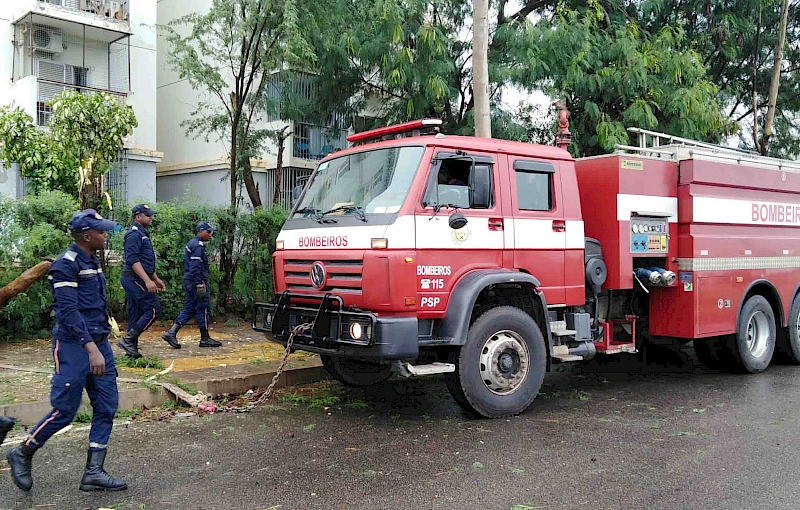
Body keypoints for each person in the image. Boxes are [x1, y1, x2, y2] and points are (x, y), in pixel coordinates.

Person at [7, 209, 126, 493]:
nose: (105, 234)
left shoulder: (92, 262)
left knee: (107, 407)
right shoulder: (65, 265)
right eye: (101, 231)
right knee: (64, 411)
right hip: (74, 346)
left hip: (98, 344)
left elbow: (94, 303)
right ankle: (22, 451)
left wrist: (102, 342)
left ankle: (93, 472)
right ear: (87, 236)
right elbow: (68, 311)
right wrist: (91, 350)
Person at [118, 204, 168, 358]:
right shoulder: (134, 234)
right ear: (138, 217)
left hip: (137, 278)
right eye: (148, 215)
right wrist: (147, 280)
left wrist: (155, 278)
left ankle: (131, 350)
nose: (151, 217)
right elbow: (132, 260)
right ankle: (128, 339)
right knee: (153, 311)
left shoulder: (141, 233)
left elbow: (144, 260)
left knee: (136, 312)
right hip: (134, 278)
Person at [161, 221, 222, 348]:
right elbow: (195, 267)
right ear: (201, 231)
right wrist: (199, 284)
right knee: (202, 308)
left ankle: (172, 333)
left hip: (190, 281)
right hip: (196, 281)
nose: (210, 235)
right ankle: (204, 338)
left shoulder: (192, 243)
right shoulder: (198, 246)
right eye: (208, 232)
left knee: (190, 308)